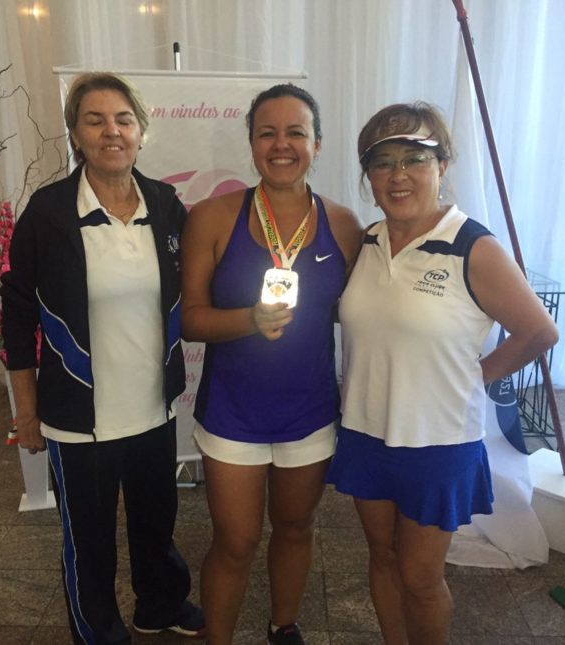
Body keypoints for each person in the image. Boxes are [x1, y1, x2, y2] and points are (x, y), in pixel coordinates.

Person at [327, 101, 559, 645]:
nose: (398, 175)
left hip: (438, 441)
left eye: (415, 158)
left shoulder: (473, 246)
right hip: (365, 429)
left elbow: (538, 331)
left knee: (421, 578)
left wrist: (472, 378)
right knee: (382, 558)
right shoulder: (367, 241)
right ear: (368, 176)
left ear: (443, 166)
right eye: (383, 162)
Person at [0, 72, 204, 645]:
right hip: (78, 415)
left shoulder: (165, 203)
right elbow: (16, 313)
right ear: (75, 134)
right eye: (95, 120)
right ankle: (99, 632)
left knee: (155, 526)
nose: (111, 131)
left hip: (153, 408)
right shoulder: (48, 213)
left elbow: (200, 275)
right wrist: (26, 411)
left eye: (123, 120)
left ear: (140, 131)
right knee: (88, 540)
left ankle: (159, 605)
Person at [181, 84, 363, 645]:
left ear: (317, 143)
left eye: (296, 133)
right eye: (268, 133)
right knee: (235, 543)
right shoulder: (213, 217)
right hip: (232, 412)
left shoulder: (344, 224)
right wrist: (249, 321)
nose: (281, 144)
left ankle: (283, 626)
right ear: (252, 143)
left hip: (309, 409)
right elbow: (190, 320)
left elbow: (363, 312)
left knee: (295, 528)